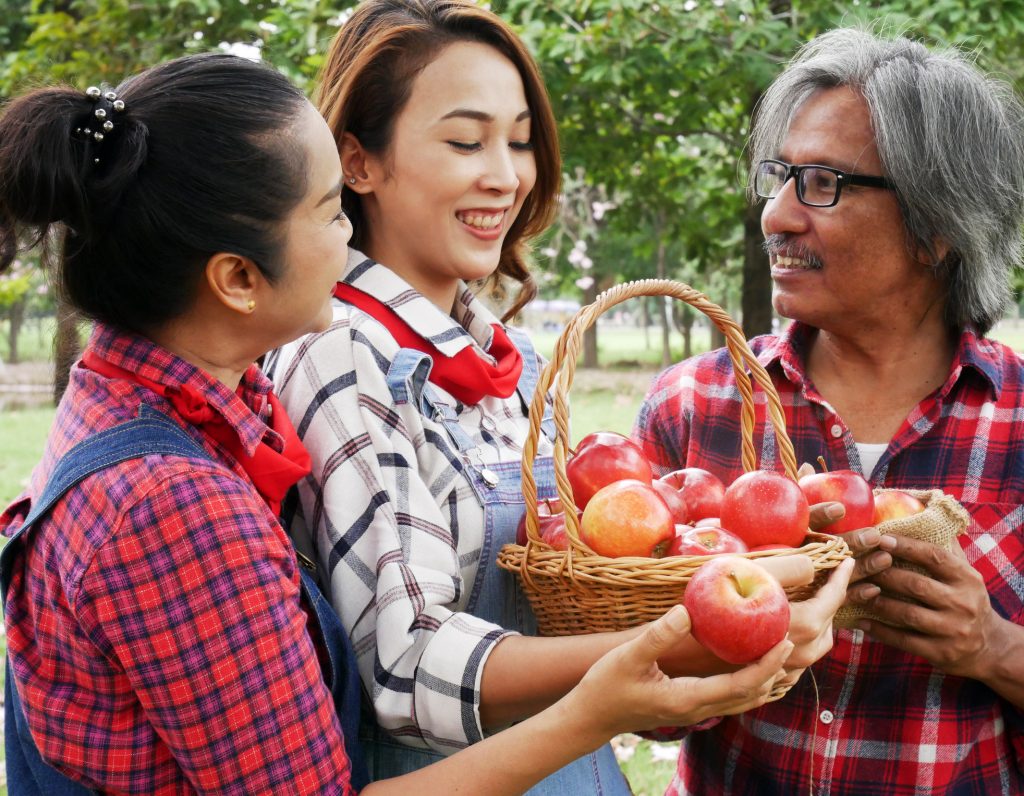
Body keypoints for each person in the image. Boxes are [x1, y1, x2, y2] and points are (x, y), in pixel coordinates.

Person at [0, 51, 816, 796]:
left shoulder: (149, 415)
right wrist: (596, 707)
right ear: (239, 278)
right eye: (328, 214)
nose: (348, 235)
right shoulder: (174, 505)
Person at [266, 0, 854, 791]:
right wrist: (674, 642)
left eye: (519, 142)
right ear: (359, 162)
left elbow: (563, 588)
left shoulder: (512, 362)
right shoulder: (342, 353)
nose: (506, 176)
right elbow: (406, 665)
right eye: (466, 141)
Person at [634, 27, 1024, 795]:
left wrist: (991, 648)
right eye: (780, 176)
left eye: (822, 183)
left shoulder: (1015, 426)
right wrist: (719, 643)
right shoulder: (697, 406)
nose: (777, 215)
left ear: (937, 225)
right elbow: (641, 701)